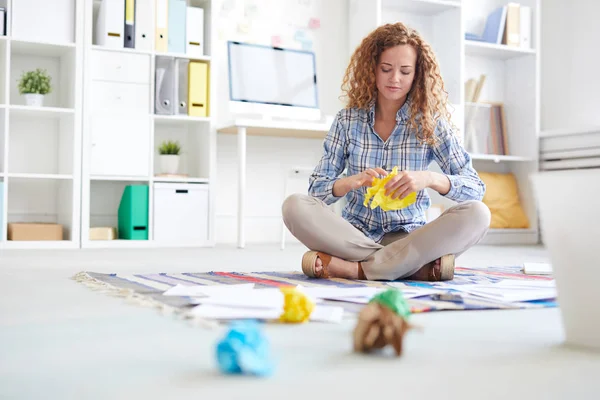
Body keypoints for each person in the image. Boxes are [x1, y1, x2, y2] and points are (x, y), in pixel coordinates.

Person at [282, 22, 491, 282]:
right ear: (372, 70)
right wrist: (351, 181)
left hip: (408, 236)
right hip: (353, 236)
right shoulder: (348, 121)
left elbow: (475, 188)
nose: (394, 79)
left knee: (478, 214)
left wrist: (429, 179)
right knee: (294, 206)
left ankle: (355, 270)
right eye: (386, 69)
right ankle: (407, 268)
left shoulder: (431, 122)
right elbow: (317, 191)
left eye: (405, 71)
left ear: (417, 74)